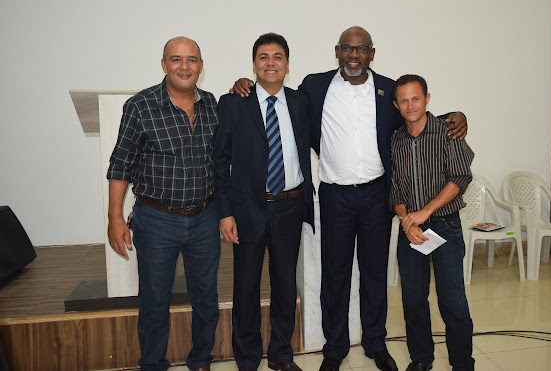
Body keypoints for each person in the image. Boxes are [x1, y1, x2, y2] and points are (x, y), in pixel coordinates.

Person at [232, 27, 468, 371]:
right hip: (335, 195)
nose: (353, 56)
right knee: (335, 274)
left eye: (360, 49)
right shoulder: (314, 86)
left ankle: (375, 343)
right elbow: (277, 97)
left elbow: (415, 116)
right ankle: (335, 348)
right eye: (347, 49)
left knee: (374, 273)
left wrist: (455, 117)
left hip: (377, 194)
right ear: (337, 51)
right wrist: (244, 84)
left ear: (372, 53)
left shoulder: (388, 88)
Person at [107, 36, 220, 371]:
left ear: (201, 65)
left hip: (205, 217)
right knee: (154, 301)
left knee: (206, 298)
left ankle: (201, 361)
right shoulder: (140, 106)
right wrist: (115, 218)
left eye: (192, 60)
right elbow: (121, 164)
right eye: (176, 59)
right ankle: (153, 364)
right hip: (157, 221)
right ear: (164, 65)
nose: (184, 67)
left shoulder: (212, 104)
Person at [213, 33, 314, 371]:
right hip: (247, 209)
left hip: (290, 206)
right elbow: (219, 161)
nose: (271, 63)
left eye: (278, 57)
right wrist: (225, 212)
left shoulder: (300, 103)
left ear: (287, 64)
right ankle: (247, 358)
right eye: (264, 57)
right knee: (246, 287)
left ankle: (281, 354)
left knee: (285, 285)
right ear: (254, 64)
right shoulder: (233, 104)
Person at [390, 74, 475, 371]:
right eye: (404, 100)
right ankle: (421, 359)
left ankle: (462, 363)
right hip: (410, 229)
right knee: (413, 300)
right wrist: (408, 220)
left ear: (427, 99)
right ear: (396, 105)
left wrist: (425, 212)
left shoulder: (448, 131)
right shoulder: (396, 140)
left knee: (452, 301)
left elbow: (460, 177)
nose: (410, 105)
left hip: (445, 226)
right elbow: (395, 189)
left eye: (416, 98)